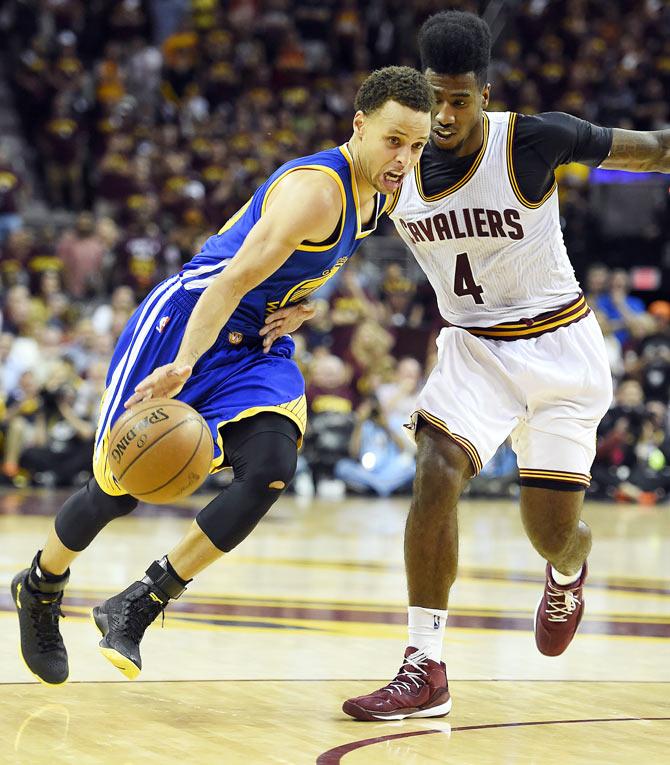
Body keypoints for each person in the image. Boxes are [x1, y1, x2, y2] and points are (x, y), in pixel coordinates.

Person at [265, 10, 669, 720]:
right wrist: (303, 295)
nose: (445, 115)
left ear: (485, 92)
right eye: (435, 97)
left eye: (459, 99)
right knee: (435, 466)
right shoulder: (397, 160)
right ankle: (425, 665)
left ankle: (568, 569)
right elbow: (336, 227)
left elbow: (653, 149)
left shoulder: (535, 138)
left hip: (560, 350)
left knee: (551, 530)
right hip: (474, 348)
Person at [11, 65, 433, 685]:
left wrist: (307, 301)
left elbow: (308, 261)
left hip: (254, 338)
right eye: (395, 140)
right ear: (360, 126)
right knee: (121, 485)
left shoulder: (384, 192)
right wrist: (183, 363)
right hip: (190, 320)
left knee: (270, 468)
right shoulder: (317, 189)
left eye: (418, 144)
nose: (405, 157)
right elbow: (232, 277)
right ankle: (41, 586)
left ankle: (139, 602)